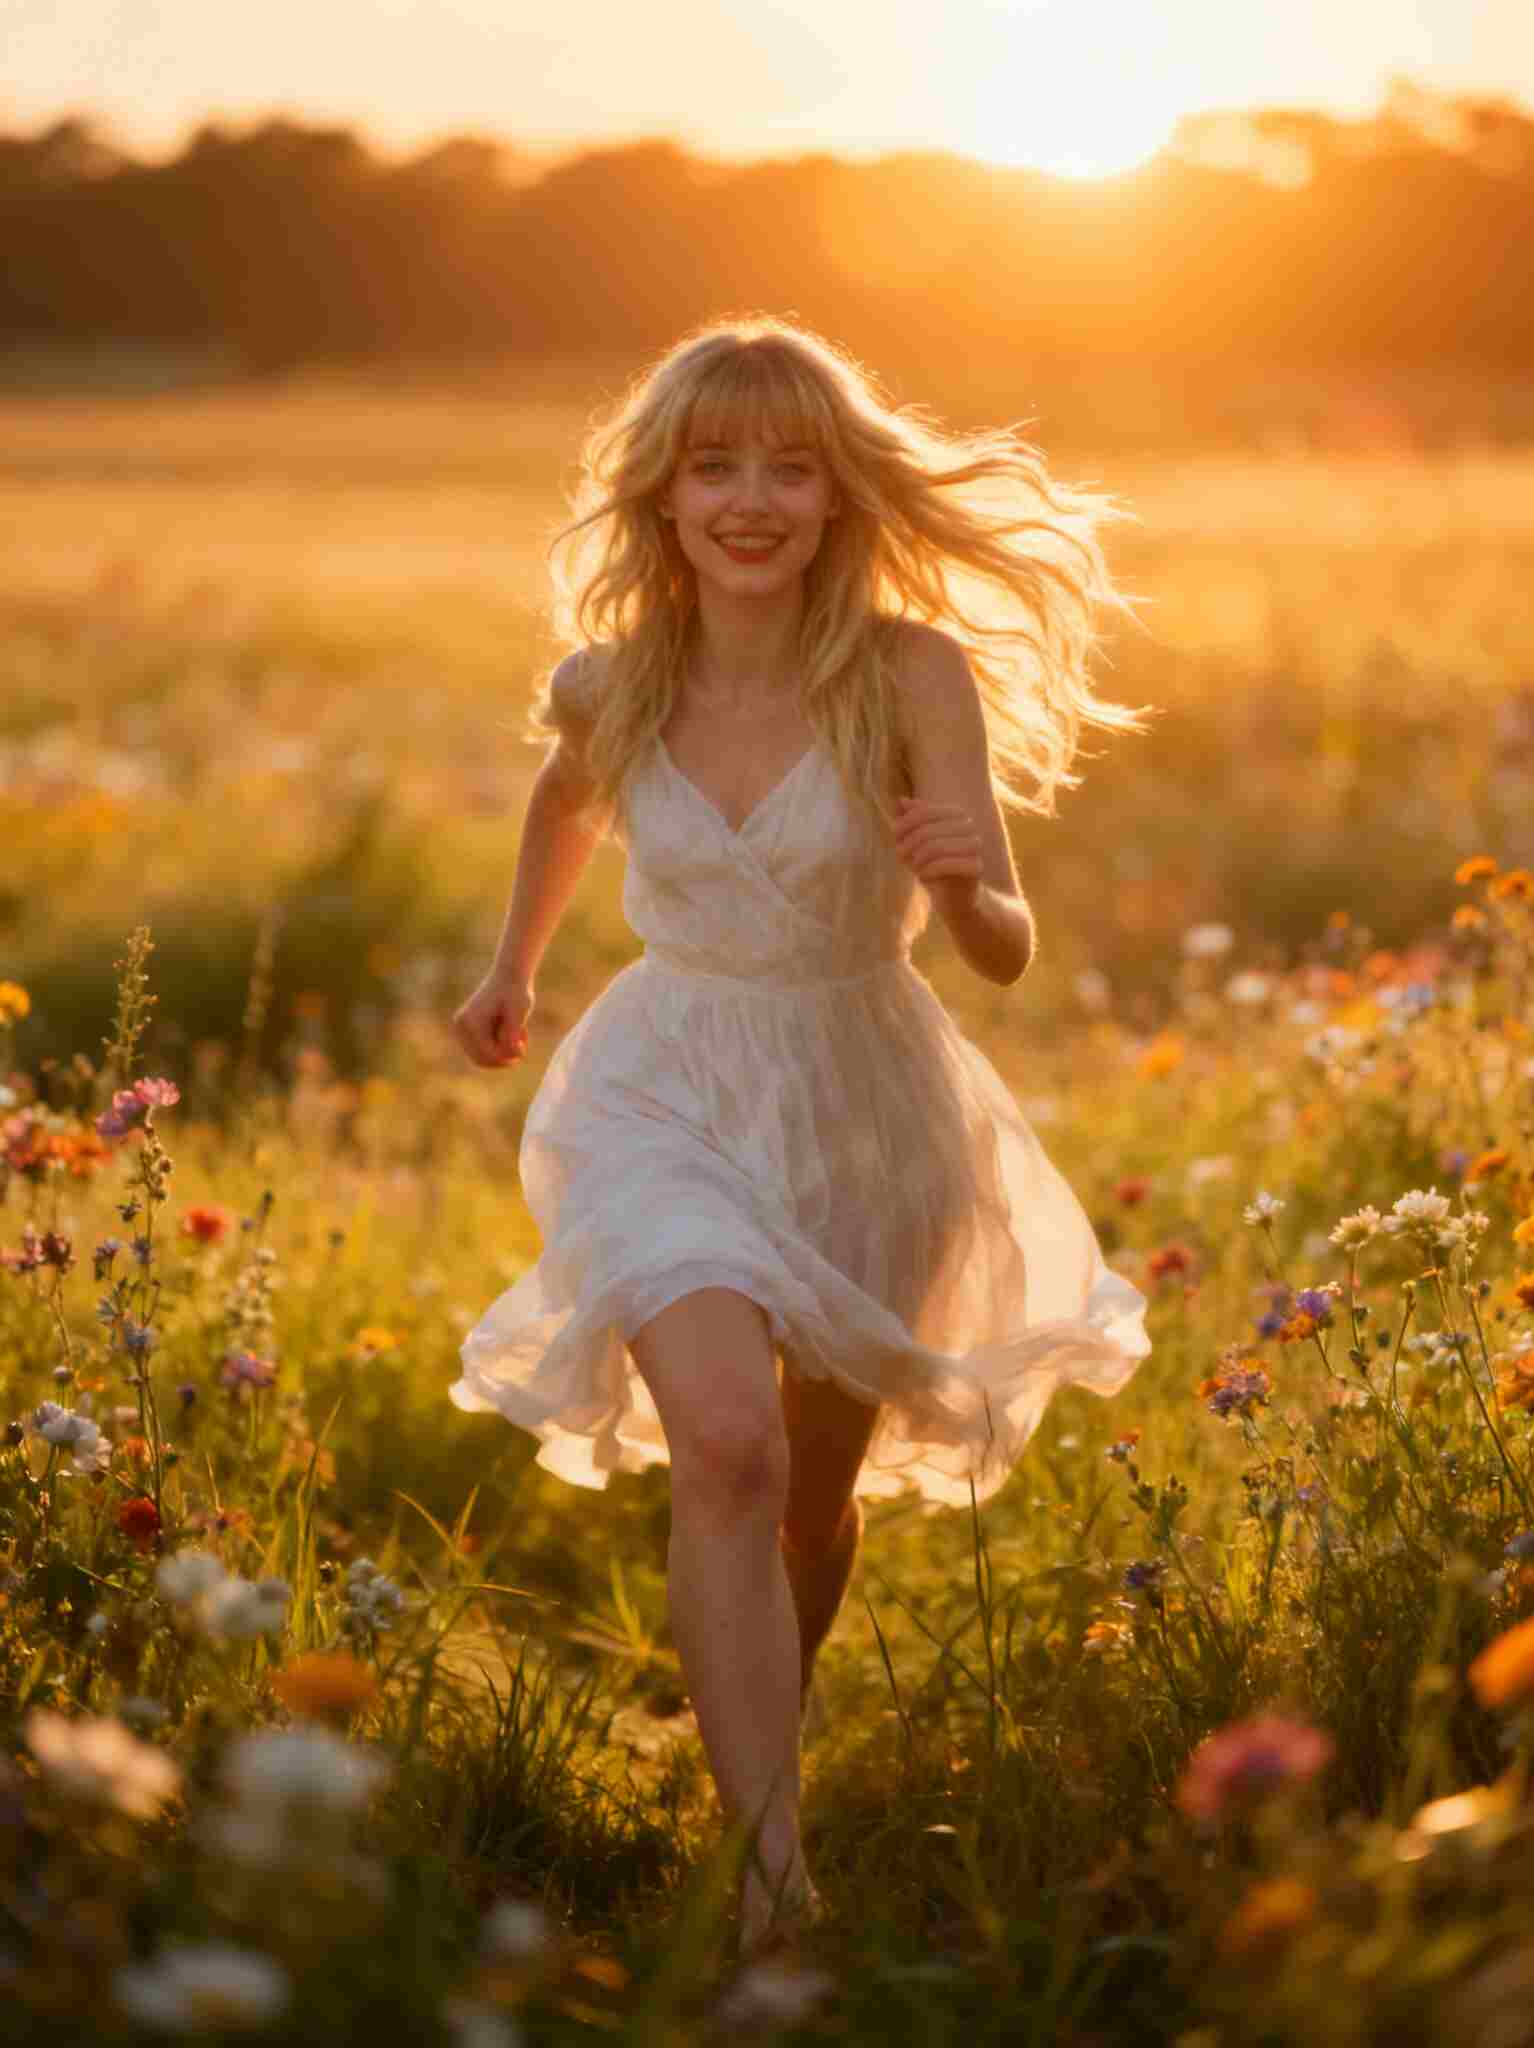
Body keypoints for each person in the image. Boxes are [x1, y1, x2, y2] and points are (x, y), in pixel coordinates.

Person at [449, 317, 1152, 1955]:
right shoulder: (612, 681)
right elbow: (569, 800)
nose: (751, 497)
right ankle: (774, 1883)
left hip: (861, 1094)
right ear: (665, 495)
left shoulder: (911, 675)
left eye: (789, 466)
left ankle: (738, 1730)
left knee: (809, 1497)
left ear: (839, 497)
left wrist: (974, 879)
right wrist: (513, 971)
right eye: (717, 466)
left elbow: (1003, 947)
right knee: (731, 1444)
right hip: (665, 1082)